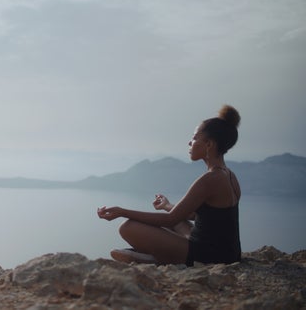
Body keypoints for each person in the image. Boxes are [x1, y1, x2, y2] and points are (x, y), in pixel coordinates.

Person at [97, 105, 242, 266]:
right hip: (228, 252)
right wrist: (167, 205)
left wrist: (122, 211)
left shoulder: (210, 179)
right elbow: (202, 217)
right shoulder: (229, 175)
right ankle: (157, 255)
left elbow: (169, 220)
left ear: (208, 145)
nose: (189, 142)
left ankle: (159, 258)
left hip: (209, 256)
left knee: (128, 227)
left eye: (194, 138)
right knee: (177, 222)